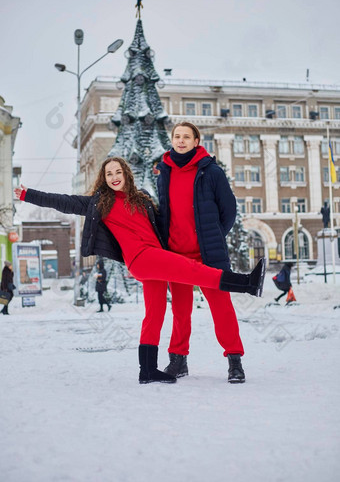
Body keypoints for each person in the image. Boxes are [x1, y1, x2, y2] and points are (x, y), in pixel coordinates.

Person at [14, 156, 264, 384]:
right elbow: (64, 202)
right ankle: (247, 283)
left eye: (118, 171)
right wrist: (27, 195)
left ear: (126, 174)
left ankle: (147, 370)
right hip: (142, 258)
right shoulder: (100, 203)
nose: (114, 177)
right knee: (193, 270)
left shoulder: (142, 199)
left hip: (156, 255)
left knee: (155, 313)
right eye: (109, 173)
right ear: (104, 178)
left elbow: (166, 219)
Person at [157, 121, 260, 383]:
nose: (181, 141)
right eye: (177, 136)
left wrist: (211, 236)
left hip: (208, 255)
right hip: (176, 256)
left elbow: (229, 210)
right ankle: (178, 361)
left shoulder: (211, 171)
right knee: (180, 311)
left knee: (221, 307)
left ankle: (234, 361)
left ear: (196, 141)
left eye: (186, 137)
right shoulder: (164, 172)